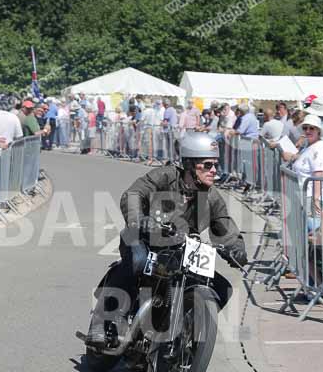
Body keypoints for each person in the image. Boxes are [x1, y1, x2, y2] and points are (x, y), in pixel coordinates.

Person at [84, 133, 248, 348]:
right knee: (139, 262)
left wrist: (236, 249)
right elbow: (133, 194)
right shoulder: (164, 176)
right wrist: (139, 220)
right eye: (207, 165)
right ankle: (102, 320)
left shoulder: (211, 197)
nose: (214, 171)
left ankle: (186, 334)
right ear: (189, 164)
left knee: (222, 287)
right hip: (143, 239)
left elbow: (225, 226)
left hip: (180, 251)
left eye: (216, 165)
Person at [283, 114, 323, 231]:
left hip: (311, 196)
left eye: (311, 128)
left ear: (318, 131)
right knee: (306, 230)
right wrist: (294, 157)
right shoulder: (311, 146)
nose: (308, 131)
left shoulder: (318, 148)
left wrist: (316, 199)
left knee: (312, 230)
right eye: (305, 128)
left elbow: (319, 174)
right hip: (305, 195)